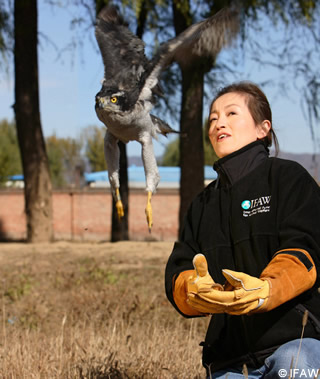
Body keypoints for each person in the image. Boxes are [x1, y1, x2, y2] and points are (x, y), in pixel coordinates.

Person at [165, 81, 320, 378]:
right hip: (230, 359)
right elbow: (180, 264)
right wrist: (192, 290)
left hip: (297, 343)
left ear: (263, 128)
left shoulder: (288, 178)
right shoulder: (203, 203)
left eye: (231, 113)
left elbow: (308, 245)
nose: (218, 123)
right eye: (212, 118)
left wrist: (267, 289)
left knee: (296, 363)